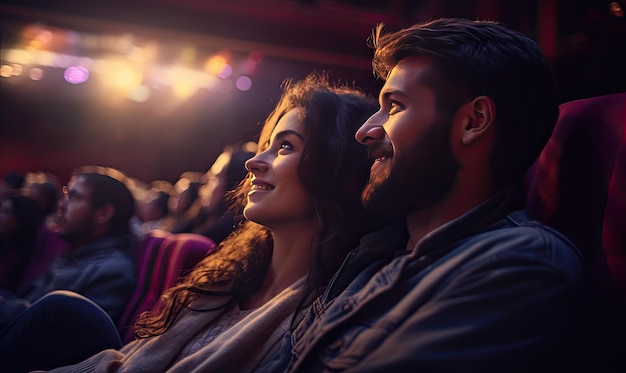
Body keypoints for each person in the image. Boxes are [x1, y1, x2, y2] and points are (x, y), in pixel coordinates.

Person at [266, 18, 587, 372]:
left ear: (473, 121)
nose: (364, 131)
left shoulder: (520, 264)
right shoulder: (371, 258)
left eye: (395, 106)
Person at [20, 72, 378, 373]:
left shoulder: (326, 318)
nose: (254, 162)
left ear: (338, 171)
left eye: (284, 147)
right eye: (266, 144)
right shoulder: (231, 276)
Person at [0, 167, 137, 368]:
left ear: (103, 213)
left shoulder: (112, 270)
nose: (61, 205)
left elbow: (64, 340)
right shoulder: (76, 254)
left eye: (74, 197)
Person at [0, 194, 46, 292]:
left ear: (21, 218)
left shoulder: (32, 253)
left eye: (6, 212)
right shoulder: (4, 242)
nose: (1, 216)